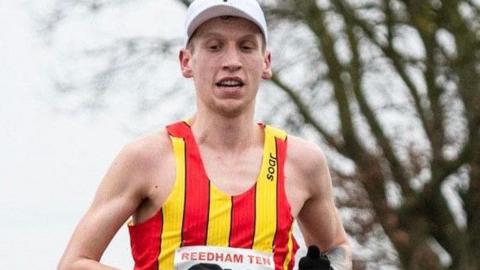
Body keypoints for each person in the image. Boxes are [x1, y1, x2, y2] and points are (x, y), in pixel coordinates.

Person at [58, 0, 351, 269]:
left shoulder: (302, 162)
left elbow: (337, 248)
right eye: (214, 47)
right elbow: (73, 263)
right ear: (186, 61)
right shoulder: (147, 158)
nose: (231, 61)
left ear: (266, 62)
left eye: (246, 47)